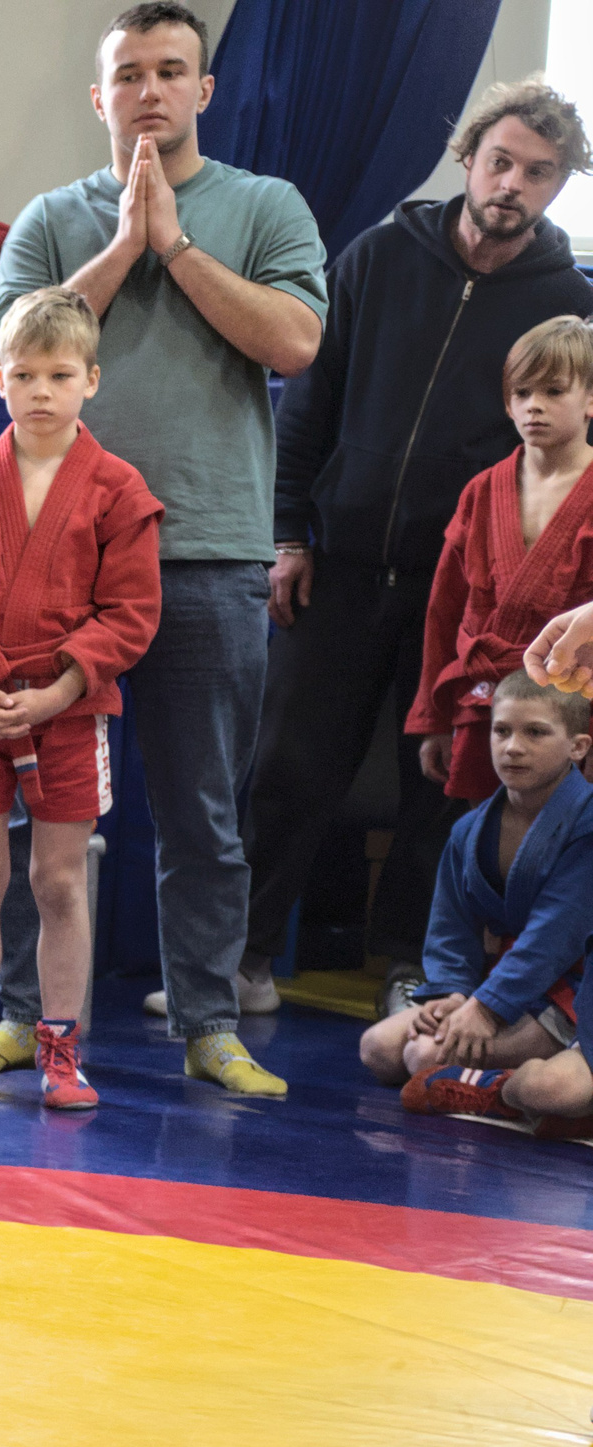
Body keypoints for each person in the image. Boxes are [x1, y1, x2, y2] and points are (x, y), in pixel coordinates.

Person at [0, 0, 326, 1097]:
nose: (149, 90)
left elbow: (295, 342)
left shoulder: (265, 206)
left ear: (202, 91)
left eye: (170, 70)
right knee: (53, 807)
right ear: (100, 95)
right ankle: (30, 1017)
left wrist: (172, 246)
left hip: (211, 549)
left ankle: (208, 1022)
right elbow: (4, 345)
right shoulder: (50, 216)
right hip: (58, 559)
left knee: (203, 813)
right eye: (128, 72)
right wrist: (122, 245)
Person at [247, 80, 593, 1020]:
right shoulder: (375, 255)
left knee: (441, 784)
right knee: (289, 764)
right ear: (467, 157)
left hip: (467, 594)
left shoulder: (569, 301)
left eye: (540, 173)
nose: (514, 184)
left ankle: (410, 967)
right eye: (502, 161)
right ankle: (236, 961)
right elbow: (308, 405)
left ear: (559, 187)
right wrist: (287, 533)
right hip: (341, 564)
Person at [0, 288, 162, 1110]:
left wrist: (54, 694)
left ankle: (62, 1047)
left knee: (59, 883)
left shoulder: (117, 489)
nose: (41, 390)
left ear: (91, 380)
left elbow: (131, 614)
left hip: (69, 714)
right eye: (23, 374)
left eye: (59, 374)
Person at [382, 674, 593, 1125]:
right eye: (502, 731)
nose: (513, 747)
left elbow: (558, 932)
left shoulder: (586, 824)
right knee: (378, 1049)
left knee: (424, 1056)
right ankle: (485, 1078)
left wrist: (489, 1005)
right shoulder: (469, 830)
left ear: (578, 747)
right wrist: (452, 992)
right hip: (513, 976)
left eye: (535, 732)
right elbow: (450, 925)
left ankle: (494, 1090)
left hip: (572, 986)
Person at [412, 317, 593, 802]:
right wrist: (437, 719)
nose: (534, 405)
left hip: (579, 708)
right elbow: (444, 610)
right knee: (490, 841)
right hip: (489, 702)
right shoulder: (482, 490)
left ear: (591, 400)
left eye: (555, 391)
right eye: (521, 391)